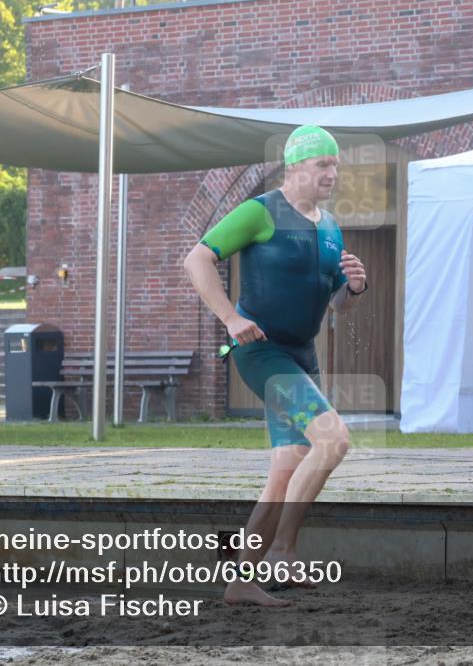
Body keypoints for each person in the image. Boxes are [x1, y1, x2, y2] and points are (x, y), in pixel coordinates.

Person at [183, 125, 368, 607]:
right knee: (333, 440)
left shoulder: (329, 226)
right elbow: (197, 259)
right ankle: (283, 551)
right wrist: (230, 317)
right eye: (322, 165)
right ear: (294, 167)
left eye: (335, 165)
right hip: (262, 351)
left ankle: (241, 581)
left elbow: (336, 307)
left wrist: (353, 288)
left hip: (303, 354)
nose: (332, 173)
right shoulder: (259, 212)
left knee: (288, 465)